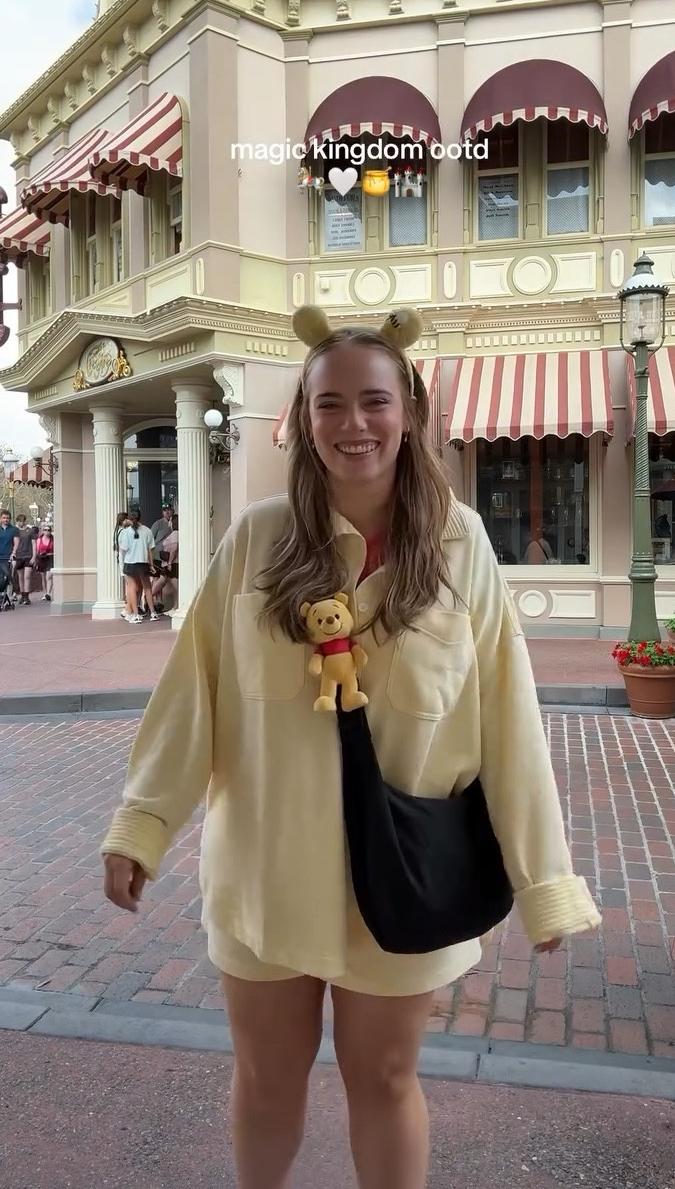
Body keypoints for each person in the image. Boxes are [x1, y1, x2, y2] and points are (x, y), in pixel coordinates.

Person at [101, 306, 600, 1189]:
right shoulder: (255, 539)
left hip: (407, 882)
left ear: (410, 412)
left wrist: (544, 883)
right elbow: (194, 691)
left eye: (374, 401)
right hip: (266, 877)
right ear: (304, 418)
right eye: (328, 404)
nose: (353, 425)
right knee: (265, 1079)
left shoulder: (460, 546)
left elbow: (507, 718)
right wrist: (143, 824)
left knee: (384, 1078)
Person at [116, 510, 160, 624]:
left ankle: (135, 614)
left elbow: (123, 550)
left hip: (130, 562)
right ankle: (153, 613)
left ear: (129, 519)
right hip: (143, 562)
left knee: (131, 587)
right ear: (141, 518)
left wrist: (123, 563)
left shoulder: (126, 532)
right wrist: (151, 564)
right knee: (147, 587)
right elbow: (150, 550)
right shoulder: (147, 531)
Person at [151, 514, 178, 613]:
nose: (169, 522)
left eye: (171, 520)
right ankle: (149, 599)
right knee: (161, 580)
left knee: (175, 586)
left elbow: (174, 548)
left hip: (172, 563)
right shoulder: (159, 525)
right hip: (165, 563)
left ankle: (175, 606)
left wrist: (170, 562)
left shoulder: (175, 533)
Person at [13, 514, 37, 605]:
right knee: (20, 576)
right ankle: (22, 594)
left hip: (28, 555)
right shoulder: (15, 531)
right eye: (18, 521)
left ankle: (26, 595)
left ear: (24, 521)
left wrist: (34, 556)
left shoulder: (30, 531)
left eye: (21, 521)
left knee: (27, 576)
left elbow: (34, 544)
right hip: (18, 555)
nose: (20, 523)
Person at [0, 510, 19, 609]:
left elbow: (16, 543)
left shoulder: (14, 530)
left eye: (7, 518)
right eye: (4, 518)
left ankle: (9, 599)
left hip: (8, 557)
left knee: (8, 578)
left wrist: (13, 553)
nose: (6, 520)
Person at [34, 524, 54, 601]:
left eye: (48, 530)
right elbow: (37, 550)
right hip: (41, 559)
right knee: (43, 577)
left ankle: (49, 593)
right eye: (45, 530)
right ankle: (44, 593)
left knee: (48, 576)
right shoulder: (39, 540)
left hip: (50, 558)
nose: (47, 532)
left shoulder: (53, 539)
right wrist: (36, 559)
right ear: (42, 531)